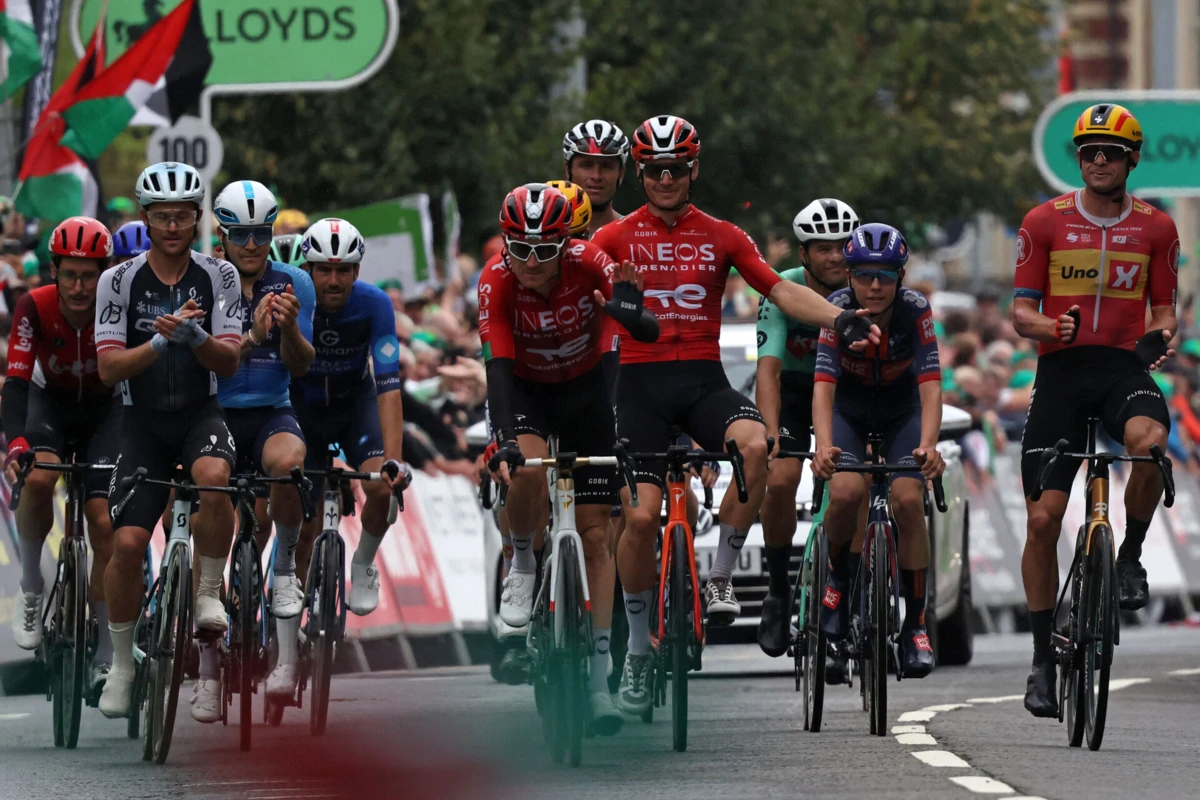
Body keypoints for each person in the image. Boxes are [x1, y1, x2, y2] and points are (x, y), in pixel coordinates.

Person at [590, 114, 878, 716]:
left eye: (677, 169)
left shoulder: (723, 234)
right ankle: (639, 653)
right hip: (638, 386)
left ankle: (719, 575)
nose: (666, 179)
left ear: (693, 170)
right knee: (639, 521)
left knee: (757, 446)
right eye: (654, 170)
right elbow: (573, 285)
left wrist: (838, 317)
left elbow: (779, 289)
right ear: (641, 173)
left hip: (702, 381)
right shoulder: (615, 238)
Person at [1011, 103, 1178, 718]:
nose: (1098, 160)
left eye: (1109, 151)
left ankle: (1129, 555)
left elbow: (1166, 310)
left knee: (1150, 443)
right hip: (1061, 372)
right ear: (1077, 159)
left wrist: (1157, 338)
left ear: (1131, 159)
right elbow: (1019, 313)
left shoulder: (1157, 228)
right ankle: (1039, 662)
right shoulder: (1044, 222)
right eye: (1088, 152)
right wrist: (1050, 324)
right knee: (1041, 521)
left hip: (1121, 369)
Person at [482, 183, 659, 730]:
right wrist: (507, 439)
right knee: (527, 475)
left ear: (567, 243)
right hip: (528, 394)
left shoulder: (592, 263)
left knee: (595, 534)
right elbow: (498, 370)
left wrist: (633, 315)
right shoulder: (495, 280)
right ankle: (524, 565)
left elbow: (639, 336)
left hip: (587, 393)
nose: (530, 261)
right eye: (519, 247)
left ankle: (600, 671)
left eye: (543, 249)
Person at [93, 162, 243, 719]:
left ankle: (207, 591)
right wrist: (158, 346)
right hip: (140, 421)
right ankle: (125, 666)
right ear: (145, 218)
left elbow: (228, 362)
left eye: (182, 216)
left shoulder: (220, 276)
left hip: (200, 413)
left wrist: (195, 335)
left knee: (214, 478)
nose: (173, 226)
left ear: (198, 218)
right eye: (162, 217)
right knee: (127, 545)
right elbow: (109, 371)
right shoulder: (119, 280)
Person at [810, 223, 945, 680]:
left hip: (900, 410)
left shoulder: (915, 310)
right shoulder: (837, 308)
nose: (874, 285)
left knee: (909, 500)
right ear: (849, 277)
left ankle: (916, 624)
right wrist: (823, 445)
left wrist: (928, 445)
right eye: (865, 275)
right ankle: (838, 582)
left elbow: (930, 384)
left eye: (885, 276)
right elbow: (824, 385)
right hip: (849, 409)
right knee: (846, 493)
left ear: (900, 277)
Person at [3, 217, 120, 697]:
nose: (78, 286)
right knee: (36, 480)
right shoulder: (33, 306)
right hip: (50, 406)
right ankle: (31, 585)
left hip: (105, 412)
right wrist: (15, 444)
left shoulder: (118, 307)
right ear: (54, 271)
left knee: (104, 522)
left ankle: (106, 650)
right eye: (69, 274)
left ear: (103, 275)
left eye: (88, 276)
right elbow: (14, 381)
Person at [212, 180, 316, 704]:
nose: (251, 244)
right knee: (205, 509)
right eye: (239, 234)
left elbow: (301, 365)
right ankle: (206, 662)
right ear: (221, 235)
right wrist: (251, 334)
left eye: (260, 233)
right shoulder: (205, 281)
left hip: (273, 411)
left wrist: (291, 330)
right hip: (216, 414)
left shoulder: (296, 281)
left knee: (290, 463)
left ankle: (283, 569)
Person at [754, 198, 859, 658]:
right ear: (803, 254)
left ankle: (846, 595)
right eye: (822, 248)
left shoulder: (870, 289)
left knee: (855, 489)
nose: (834, 256)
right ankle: (778, 592)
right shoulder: (783, 290)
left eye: (841, 246)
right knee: (778, 480)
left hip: (849, 393)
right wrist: (772, 434)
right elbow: (769, 371)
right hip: (796, 391)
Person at [290, 218, 410, 616]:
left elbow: (388, 384)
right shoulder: (294, 300)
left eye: (343, 270)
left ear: (357, 271)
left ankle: (362, 563)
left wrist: (393, 460)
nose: (334, 280)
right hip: (302, 411)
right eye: (324, 269)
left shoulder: (374, 303)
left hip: (353, 406)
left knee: (380, 486)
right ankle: (285, 647)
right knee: (303, 529)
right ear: (308, 269)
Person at [563, 119, 631, 234]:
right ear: (568, 169)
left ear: (621, 173)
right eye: (586, 165)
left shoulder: (634, 236)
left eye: (606, 166)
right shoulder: (548, 237)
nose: (596, 176)